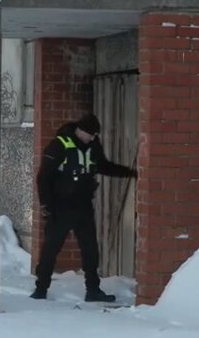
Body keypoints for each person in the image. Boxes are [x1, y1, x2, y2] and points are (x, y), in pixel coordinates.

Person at [31, 113, 137, 302]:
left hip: (83, 205)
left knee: (90, 250)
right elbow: (43, 177)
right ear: (81, 131)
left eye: (95, 135)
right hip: (61, 206)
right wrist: (46, 204)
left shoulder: (93, 146)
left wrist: (128, 173)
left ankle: (93, 290)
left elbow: (103, 166)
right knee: (51, 249)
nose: (93, 138)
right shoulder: (59, 145)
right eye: (91, 134)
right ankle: (41, 288)